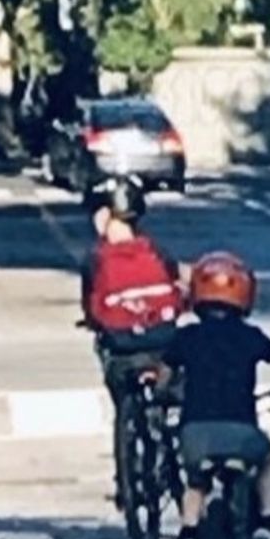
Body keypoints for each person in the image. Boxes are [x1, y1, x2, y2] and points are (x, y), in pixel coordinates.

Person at [161, 252, 270, 539]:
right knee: (267, 460)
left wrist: (167, 392)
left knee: (197, 480)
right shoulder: (252, 336)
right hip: (243, 433)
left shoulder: (186, 337)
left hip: (196, 434)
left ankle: (189, 533)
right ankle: (269, 525)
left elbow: (164, 380)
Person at [80, 177, 186, 504]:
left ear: (105, 216)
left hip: (123, 349)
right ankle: (168, 448)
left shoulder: (96, 257)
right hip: (163, 342)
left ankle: (126, 477)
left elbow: (91, 307)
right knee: (170, 401)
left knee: (121, 394)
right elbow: (179, 287)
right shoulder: (157, 250)